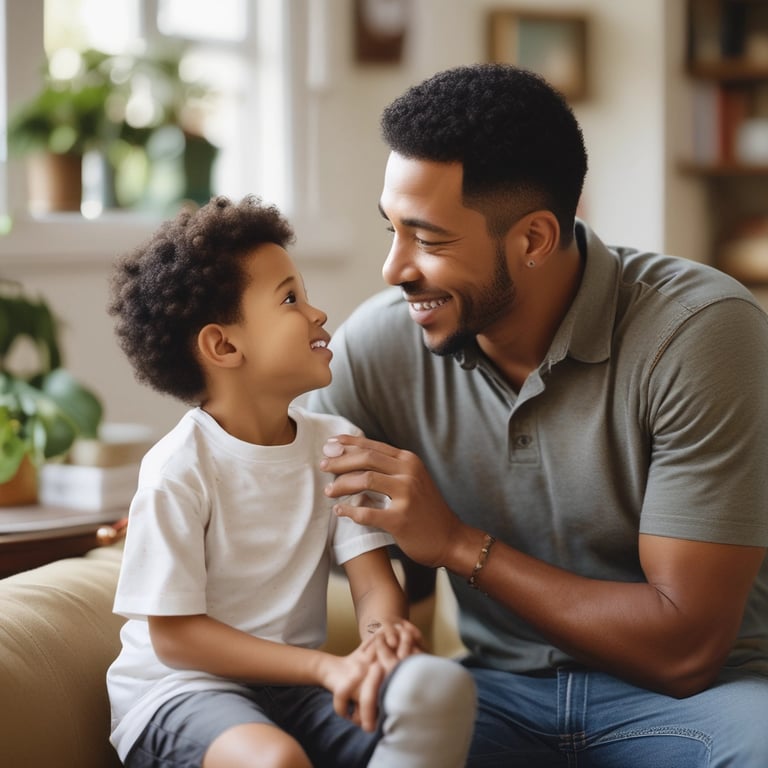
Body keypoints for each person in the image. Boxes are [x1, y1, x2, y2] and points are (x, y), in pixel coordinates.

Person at [308, 64, 768, 766]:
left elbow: (685, 651)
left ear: (533, 239)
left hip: (695, 704)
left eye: (429, 240)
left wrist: (457, 544)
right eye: (391, 230)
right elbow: (285, 494)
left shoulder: (701, 332)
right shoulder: (380, 345)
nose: (393, 268)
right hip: (494, 694)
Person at [105, 195, 476, 768]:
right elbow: (176, 639)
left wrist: (381, 639)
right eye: (289, 299)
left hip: (292, 692)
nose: (317, 313)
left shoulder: (336, 443)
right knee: (274, 759)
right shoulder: (178, 468)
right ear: (224, 345)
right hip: (179, 692)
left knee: (438, 687)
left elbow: (373, 584)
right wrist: (326, 667)